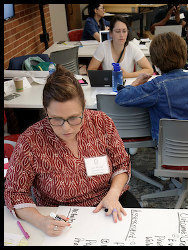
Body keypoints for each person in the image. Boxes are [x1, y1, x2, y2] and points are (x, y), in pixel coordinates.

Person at [4, 65, 140, 237]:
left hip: (108, 202)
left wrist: (113, 193)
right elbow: (15, 193)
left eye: (74, 118)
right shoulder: (31, 141)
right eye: (57, 119)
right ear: (46, 112)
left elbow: (121, 164)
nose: (66, 127)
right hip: (59, 214)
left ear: (84, 108)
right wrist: (41, 221)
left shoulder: (102, 123)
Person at [115, 32, 188, 142]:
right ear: (184, 55)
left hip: (168, 146)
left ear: (154, 62)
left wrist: (136, 82)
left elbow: (121, 98)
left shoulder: (157, 85)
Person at [87, 15, 153, 78]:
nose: (121, 35)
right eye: (118, 31)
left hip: (128, 86)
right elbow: (90, 71)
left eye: (124, 31)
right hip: (108, 87)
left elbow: (149, 70)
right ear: (111, 33)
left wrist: (128, 75)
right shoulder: (103, 46)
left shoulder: (132, 47)